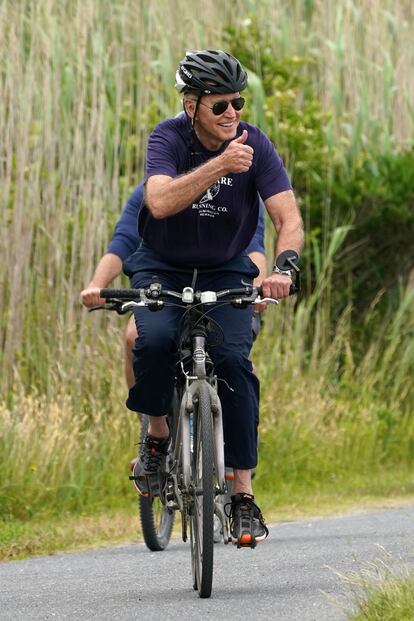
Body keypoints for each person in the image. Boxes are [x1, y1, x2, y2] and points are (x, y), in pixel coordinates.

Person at [120, 49, 304, 547]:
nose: (232, 115)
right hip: (163, 264)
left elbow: (287, 218)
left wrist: (283, 267)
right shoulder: (169, 138)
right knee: (153, 341)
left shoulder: (256, 145)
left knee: (233, 364)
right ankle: (158, 438)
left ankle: (241, 494)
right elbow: (158, 201)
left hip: (226, 268)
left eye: (238, 103)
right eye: (220, 105)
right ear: (191, 104)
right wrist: (221, 165)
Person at [80, 180, 267, 390]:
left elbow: (253, 245)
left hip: (224, 288)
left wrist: (258, 287)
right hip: (169, 287)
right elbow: (124, 242)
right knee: (135, 338)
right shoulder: (149, 193)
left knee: (237, 361)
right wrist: (98, 284)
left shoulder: (241, 191)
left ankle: (240, 419)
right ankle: (151, 419)